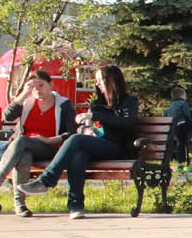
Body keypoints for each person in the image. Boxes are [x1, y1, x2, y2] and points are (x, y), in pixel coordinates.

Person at [19, 63, 139, 220]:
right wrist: (86, 130)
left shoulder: (129, 101)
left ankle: (46, 181)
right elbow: (81, 127)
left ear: (111, 81)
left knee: (76, 140)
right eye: (96, 80)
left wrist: (95, 117)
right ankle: (76, 206)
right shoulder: (97, 103)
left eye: (100, 80)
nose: (97, 84)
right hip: (97, 146)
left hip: (119, 148)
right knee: (78, 154)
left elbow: (127, 122)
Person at [0, 69, 77, 213]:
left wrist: (48, 140)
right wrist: (24, 94)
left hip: (50, 148)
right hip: (24, 148)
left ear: (51, 85)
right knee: (24, 156)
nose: (37, 90)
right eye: (33, 87)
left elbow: (72, 133)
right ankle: (20, 205)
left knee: (21, 140)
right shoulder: (27, 103)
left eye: (41, 85)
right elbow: (7, 117)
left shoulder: (64, 104)